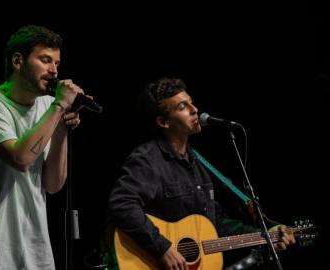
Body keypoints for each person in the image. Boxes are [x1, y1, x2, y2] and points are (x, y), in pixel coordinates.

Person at [107, 78, 296, 270]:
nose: (194, 109)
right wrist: (162, 248)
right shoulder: (147, 159)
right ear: (163, 121)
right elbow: (122, 204)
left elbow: (214, 225)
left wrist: (264, 235)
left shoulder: (198, 164)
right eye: (182, 106)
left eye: (191, 102)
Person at [0, 25, 85, 270]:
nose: (54, 71)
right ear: (18, 61)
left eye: (57, 63)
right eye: (45, 60)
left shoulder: (48, 106)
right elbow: (21, 159)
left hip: (34, 250)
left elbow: (53, 185)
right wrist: (58, 107)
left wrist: (63, 128)